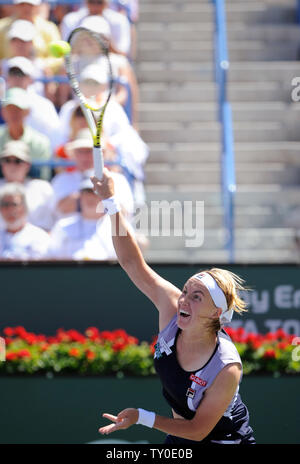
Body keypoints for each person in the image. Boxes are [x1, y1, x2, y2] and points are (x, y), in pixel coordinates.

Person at [91, 169, 256, 444]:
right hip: (181, 437)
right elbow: (133, 263)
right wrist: (110, 201)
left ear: (216, 313)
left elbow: (199, 431)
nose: (183, 299)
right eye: (186, 290)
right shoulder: (171, 309)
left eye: (197, 296)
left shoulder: (226, 367)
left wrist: (141, 417)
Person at [51, 128, 134, 221]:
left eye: (89, 151)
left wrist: (104, 197)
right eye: (80, 151)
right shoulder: (61, 180)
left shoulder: (118, 180)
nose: (84, 157)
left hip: (107, 233)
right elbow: (57, 211)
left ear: (101, 153)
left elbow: (125, 214)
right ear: (73, 154)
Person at [48, 177, 116, 260]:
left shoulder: (117, 227)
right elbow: (51, 255)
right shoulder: (62, 225)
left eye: (95, 193)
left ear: (104, 197)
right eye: (86, 192)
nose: (90, 197)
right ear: (80, 197)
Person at [4, 56, 61, 151]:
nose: (16, 78)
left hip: (36, 157)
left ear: (31, 79)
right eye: (12, 73)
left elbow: (55, 139)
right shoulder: (2, 100)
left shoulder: (45, 105)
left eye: (20, 74)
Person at [0, 140, 54, 231]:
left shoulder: (43, 188)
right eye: (7, 160)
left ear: (28, 165)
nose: (12, 165)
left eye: (17, 161)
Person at [60, 0, 131, 57]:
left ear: (107, 3)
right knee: (64, 68)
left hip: (111, 60)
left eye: (100, 2)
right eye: (91, 2)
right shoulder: (70, 19)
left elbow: (122, 55)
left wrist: (107, 44)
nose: (95, 6)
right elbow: (67, 54)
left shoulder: (120, 20)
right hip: (79, 61)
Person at [0, 182, 50, 259]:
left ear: (24, 207)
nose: (10, 210)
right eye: (5, 205)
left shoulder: (39, 236)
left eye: (14, 204)